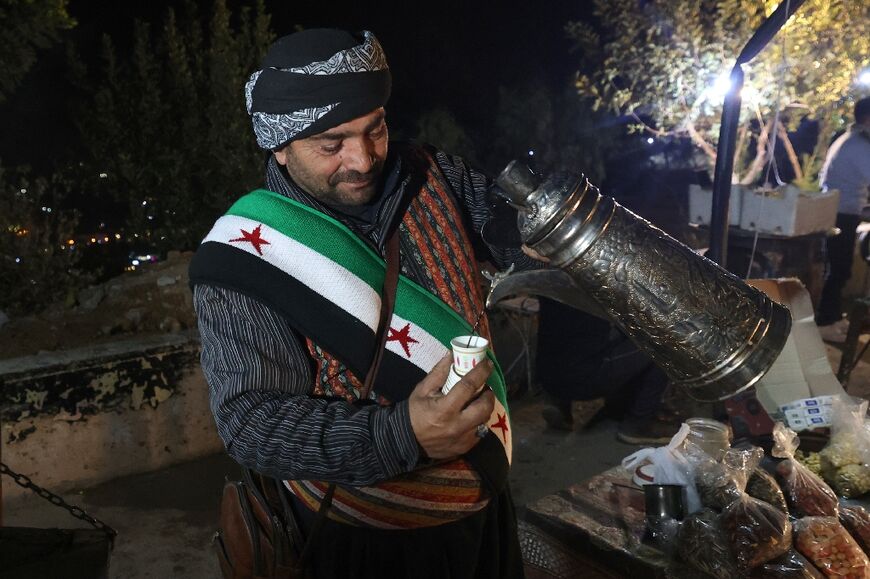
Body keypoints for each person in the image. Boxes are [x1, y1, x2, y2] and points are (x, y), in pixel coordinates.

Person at [189, 29, 536, 578]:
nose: (364, 157)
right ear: (280, 146)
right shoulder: (243, 255)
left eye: (375, 128)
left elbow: (511, 227)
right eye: (331, 144)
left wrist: (540, 227)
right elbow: (250, 422)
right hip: (360, 547)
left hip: (484, 514)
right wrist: (403, 435)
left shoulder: (430, 172)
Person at [535, 297, 677, 445]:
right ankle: (637, 424)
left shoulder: (553, 283)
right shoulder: (598, 287)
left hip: (547, 378)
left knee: (568, 339)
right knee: (662, 345)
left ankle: (560, 405)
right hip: (584, 380)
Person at [815, 96, 870, 343]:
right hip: (842, 212)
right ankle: (825, 322)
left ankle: (833, 318)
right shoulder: (860, 146)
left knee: (839, 268)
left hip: (838, 210)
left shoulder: (849, 139)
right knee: (838, 270)